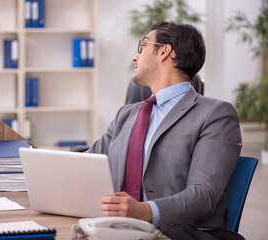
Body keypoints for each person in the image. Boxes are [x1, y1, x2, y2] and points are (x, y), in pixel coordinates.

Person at [87, 21, 242, 239]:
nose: (135, 57)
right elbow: (87, 162)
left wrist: (145, 211)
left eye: (142, 46)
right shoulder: (127, 115)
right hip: (115, 229)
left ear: (164, 51)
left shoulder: (215, 114)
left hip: (176, 234)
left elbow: (203, 194)